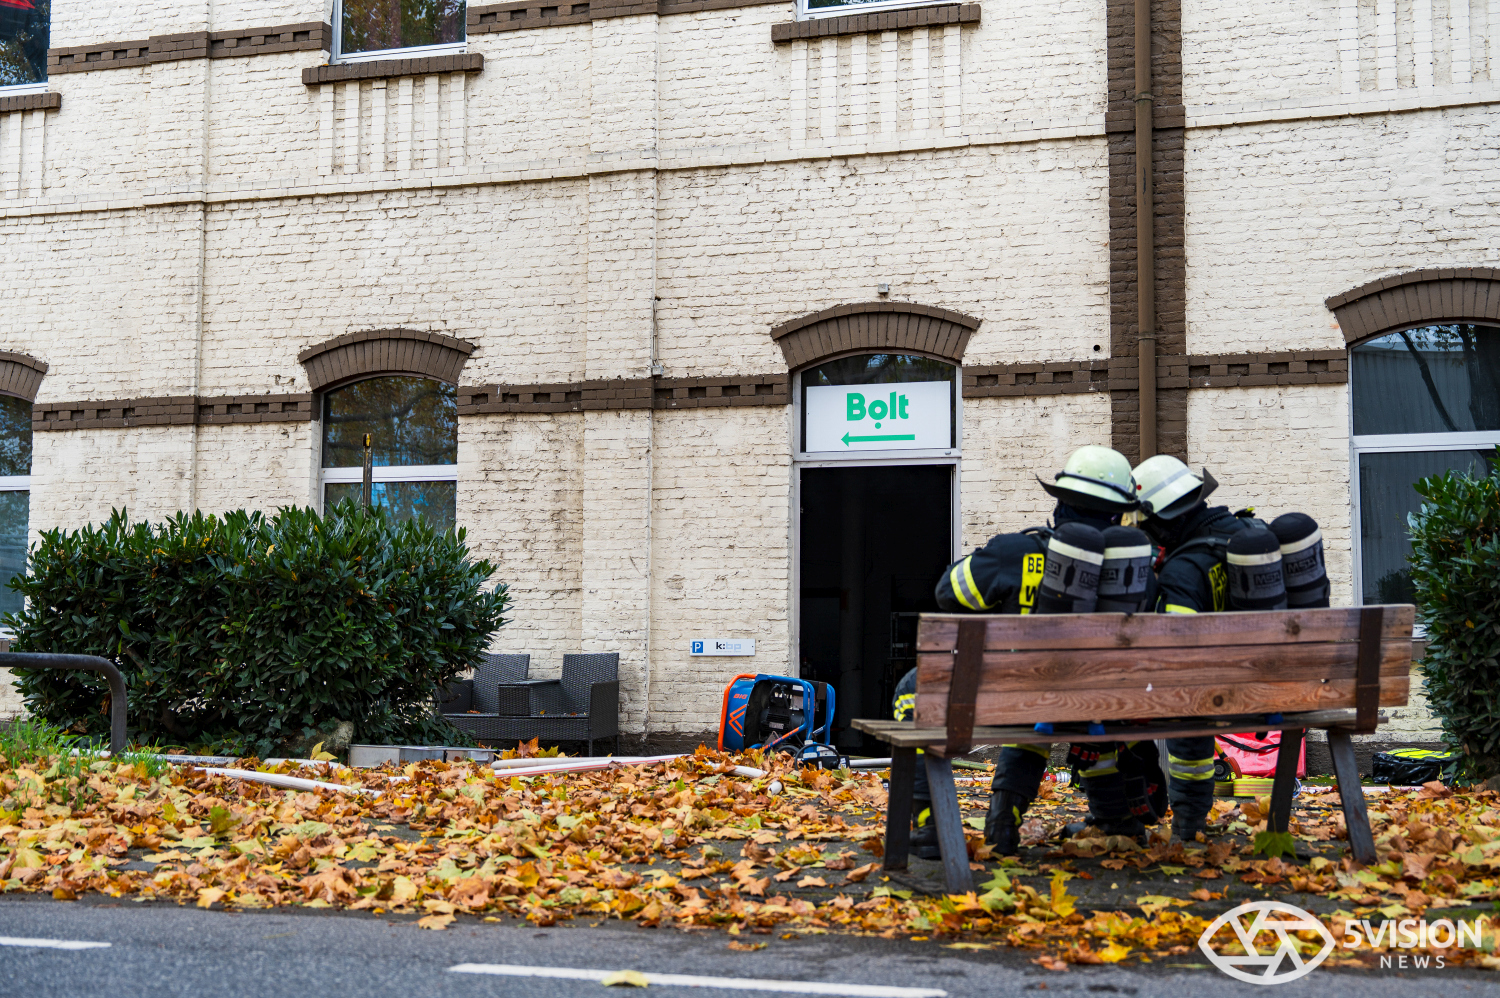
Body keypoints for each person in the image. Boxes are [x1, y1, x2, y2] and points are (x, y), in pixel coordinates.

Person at [930, 445, 1157, 855]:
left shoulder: (1017, 551)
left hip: (1018, 696)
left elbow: (949, 594)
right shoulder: (1138, 576)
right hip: (1110, 704)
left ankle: (986, 825)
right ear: (1120, 511)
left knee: (1033, 704)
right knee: (1079, 710)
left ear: (1062, 501)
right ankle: (1115, 820)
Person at [1131, 454, 1252, 843]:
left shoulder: (1183, 569)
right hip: (1273, 692)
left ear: (1163, 518)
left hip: (1207, 695)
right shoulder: (1247, 537)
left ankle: (1187, 825)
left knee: (1185, 710)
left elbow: (1175, 654)